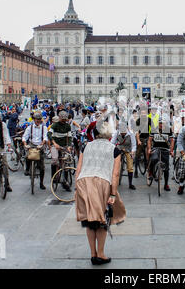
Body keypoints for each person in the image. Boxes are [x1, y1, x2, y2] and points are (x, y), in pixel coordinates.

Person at [75, 113, 126, 265]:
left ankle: (93, 254)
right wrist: (113, 193)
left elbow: (79, 168)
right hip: (101, 183)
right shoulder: (114, 149)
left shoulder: (86, 146)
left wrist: (76, 187)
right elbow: (115, 174)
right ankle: (101, 254)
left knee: (89, 220)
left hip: (83, 181)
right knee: (103, 219)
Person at [22, 111, 48, 190]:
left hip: (40, 145)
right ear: (34, 119)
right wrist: (25, 144)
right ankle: (27, 169)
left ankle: (41, 183)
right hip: (32, 144)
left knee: (42, 165)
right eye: (36, 119)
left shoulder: (44, 128)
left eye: (39, 119)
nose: (38, 121)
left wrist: (42, 143)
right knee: (27, 156)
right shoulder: (30, 127)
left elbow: (45, 137)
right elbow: (25, 137)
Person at [147, 117, 174, 192]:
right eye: (160, 123)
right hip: (156, 148)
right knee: (154, 159)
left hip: (165, 149)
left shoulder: (168, 130)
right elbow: (149, 140)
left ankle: (166, 184)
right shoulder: (154, 129)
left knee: (166, 168)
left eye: (162, 123)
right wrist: (149, 149)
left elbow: (172, 140)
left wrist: (171, 150)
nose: (161, 125)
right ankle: (151, 173)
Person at [48, 111, 73, 191]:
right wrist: (54, 143)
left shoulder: (68, 126)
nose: (64, 121)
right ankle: (54, 178)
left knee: (66, 162)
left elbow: (69, 137)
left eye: (65, 120)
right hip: (55, 145)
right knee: (55, 160)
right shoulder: (55, 125)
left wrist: (69, 146)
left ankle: (65, 181)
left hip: (64, 146)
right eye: (62, 120)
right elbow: (49, 134)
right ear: (59, 118)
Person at [111, 122, 137, 190]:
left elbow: (134, 145)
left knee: (130, 165)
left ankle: (130, 184)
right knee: (114, 162)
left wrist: (132, 152)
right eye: (121, 131)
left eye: (124, 131)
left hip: (128, 149)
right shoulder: (117, 133)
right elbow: (112, 142)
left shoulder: (131, 134)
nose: (122, 133)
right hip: (120, 148)